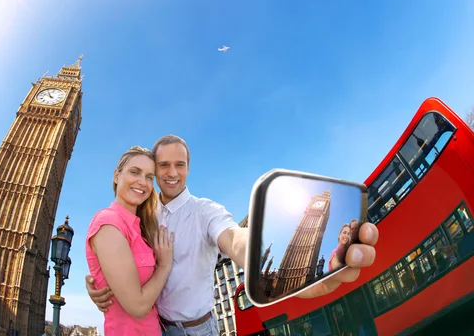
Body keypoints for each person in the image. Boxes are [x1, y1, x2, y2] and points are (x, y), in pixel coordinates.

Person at [86, 135, 380, 336]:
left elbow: (233, 237)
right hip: (157, 327)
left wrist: (256, 255)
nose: (171, 172)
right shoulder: (144, 215)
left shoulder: (205, 211)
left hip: (198, 329)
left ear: (188, 168)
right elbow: (125, 261)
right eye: (162, 166)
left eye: (180, 164)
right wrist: (98, 282)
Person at [85, 146, 175, 335]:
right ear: (117, 176)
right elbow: (137, 306)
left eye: (149, 177)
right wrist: (164, 266)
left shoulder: (141, 228)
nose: (142, 182)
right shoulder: (108, 223)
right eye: (135, 172)